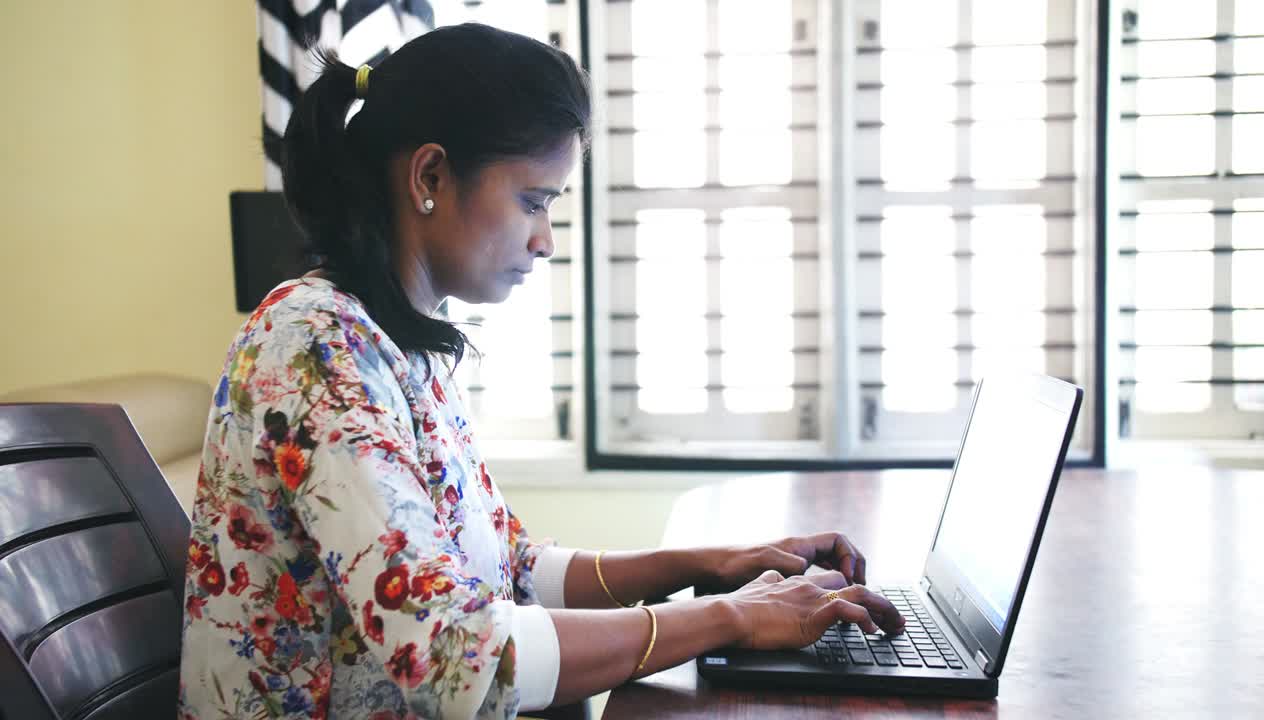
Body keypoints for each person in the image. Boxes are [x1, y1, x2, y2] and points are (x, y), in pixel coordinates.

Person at [178, 22, 904, 720]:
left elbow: (513, 570)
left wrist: (713, 565)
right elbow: (458, 659)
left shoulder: (400, 344)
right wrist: (730, 619)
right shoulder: (314, 348)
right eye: (533, 200)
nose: (545, 239)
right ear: (430, 174)